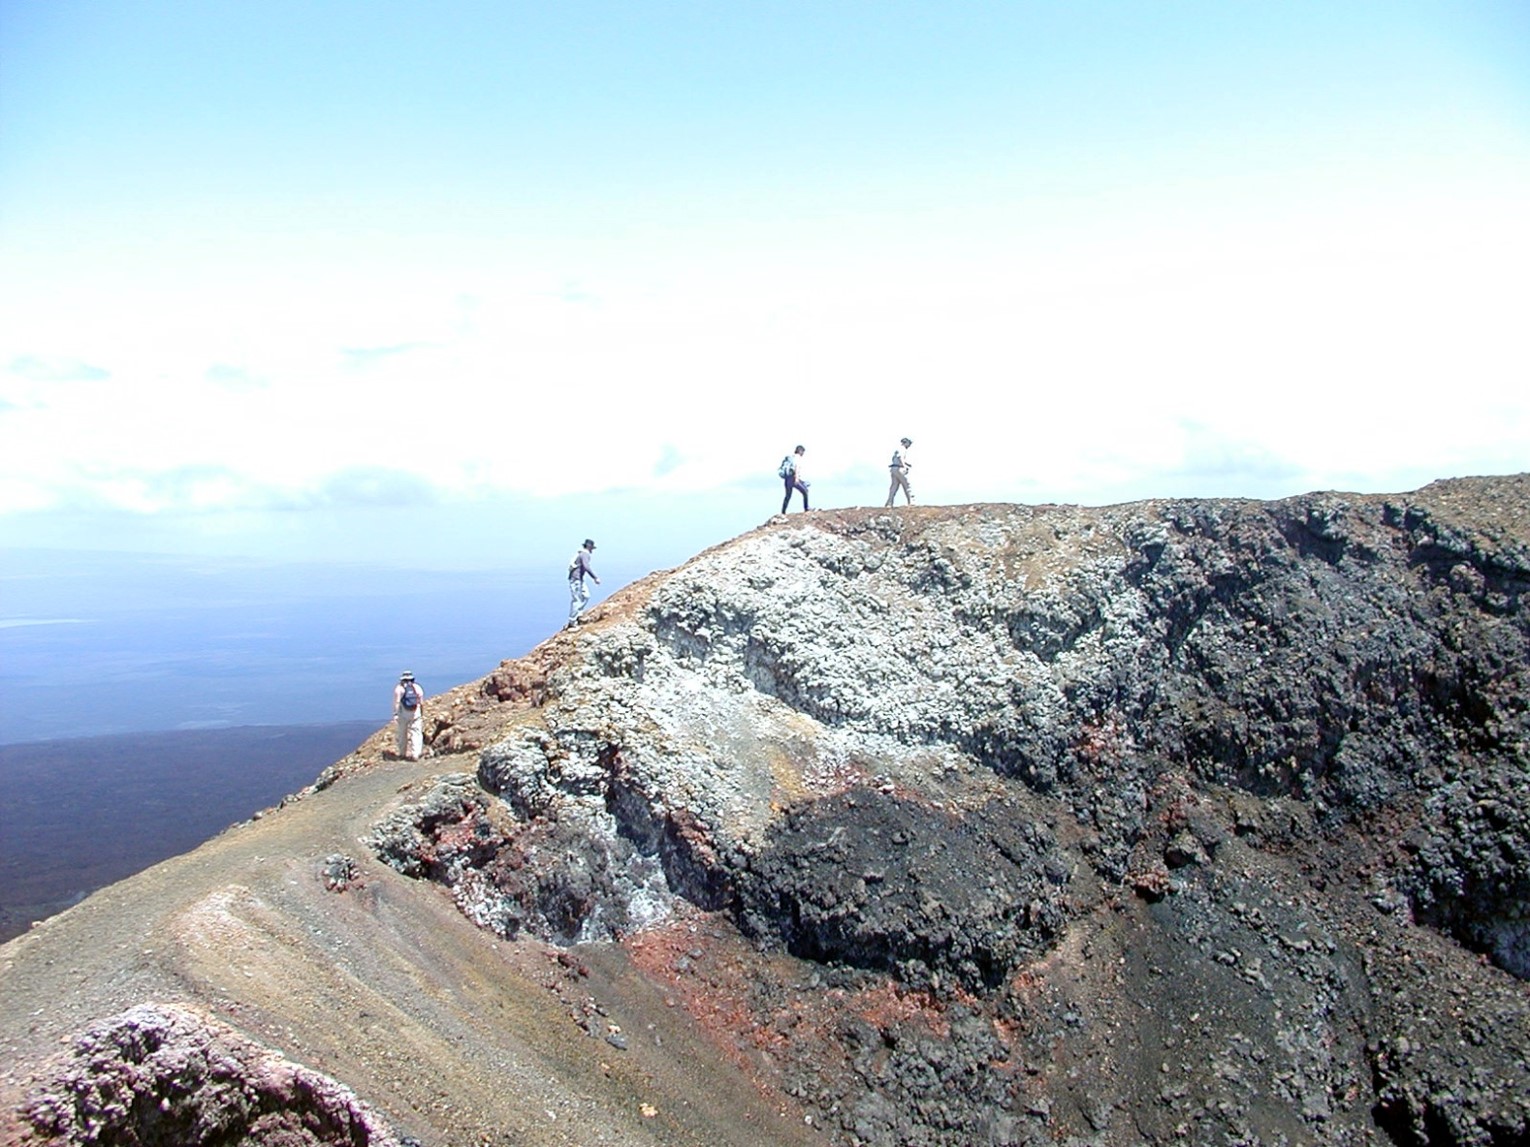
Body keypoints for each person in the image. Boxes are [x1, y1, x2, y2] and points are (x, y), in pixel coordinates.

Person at [567, 538, 601, 628]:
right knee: (577, 600)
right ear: (589, 547)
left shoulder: (581, 554)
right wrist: (595, 577)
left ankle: (578, 614)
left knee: (586, 596)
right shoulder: (585, 554)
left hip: (579, 579)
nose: (592, 550)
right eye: (592, 548)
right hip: (576, 580)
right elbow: (586, 566)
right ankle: (572, 621)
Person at [392, 671, 424, 761]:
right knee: (416, 732)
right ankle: (416, 754)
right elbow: (421, 702)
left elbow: (397, 702)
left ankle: (402, 753)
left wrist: (395, 714)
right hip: (415, 712)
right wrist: (421, 712)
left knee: (402, 733)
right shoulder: (417, 688)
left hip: (403, 713)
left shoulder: (399, 689)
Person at [780, 445, 809, 513]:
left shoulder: (791, 457)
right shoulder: (797, 458)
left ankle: (783, 512)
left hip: (787, 479)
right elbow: (797, 467)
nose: (803, 454)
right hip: (793, 478)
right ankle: (806, 508)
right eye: (803, 452)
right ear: (800, 451)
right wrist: (796, 478)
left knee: (788, 496)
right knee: (805, 492)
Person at [886, 437, 914, 507]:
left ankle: (889, 503)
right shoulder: (902, 449)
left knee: (894, 486)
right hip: (899, 468)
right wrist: (904, 466)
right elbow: (900, 458)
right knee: (907, 485)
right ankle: (911, 502)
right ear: (906, 443)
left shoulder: (897, 450)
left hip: (893, 468)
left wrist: (907, 464)